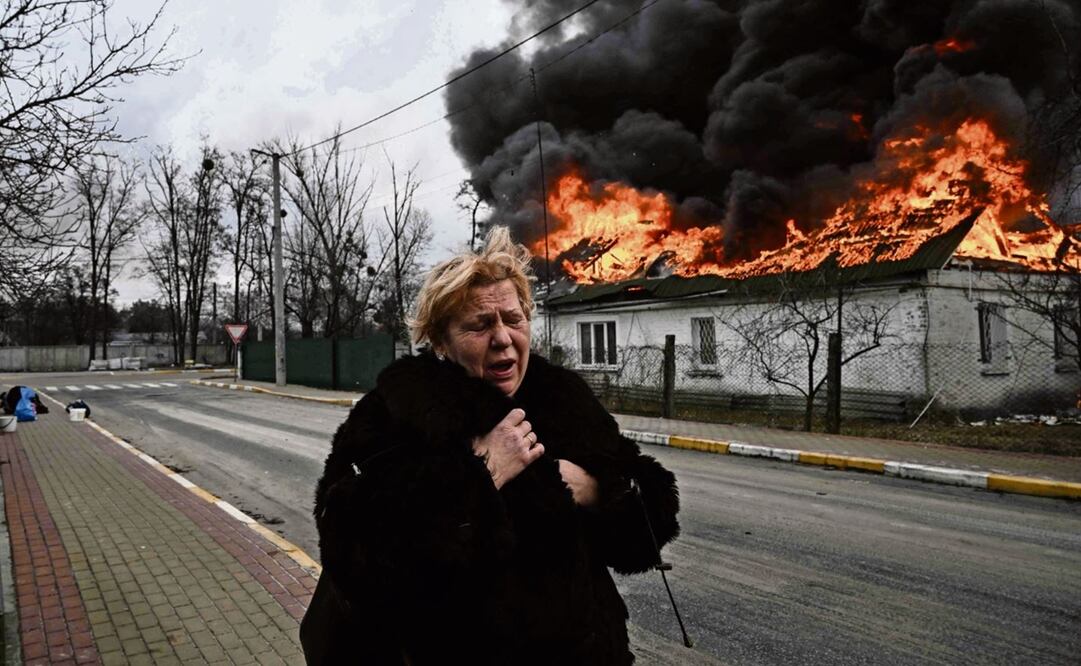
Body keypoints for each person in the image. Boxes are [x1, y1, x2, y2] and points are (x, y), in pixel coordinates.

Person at [301, 228, 680, 665]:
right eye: (480, 325)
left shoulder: (562, 399)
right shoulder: (395, 413)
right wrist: (484, 472)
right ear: (440, 341)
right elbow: (356, 559)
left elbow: (649, 523)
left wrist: (596, 490)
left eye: (513, 320)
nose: (502, 338)